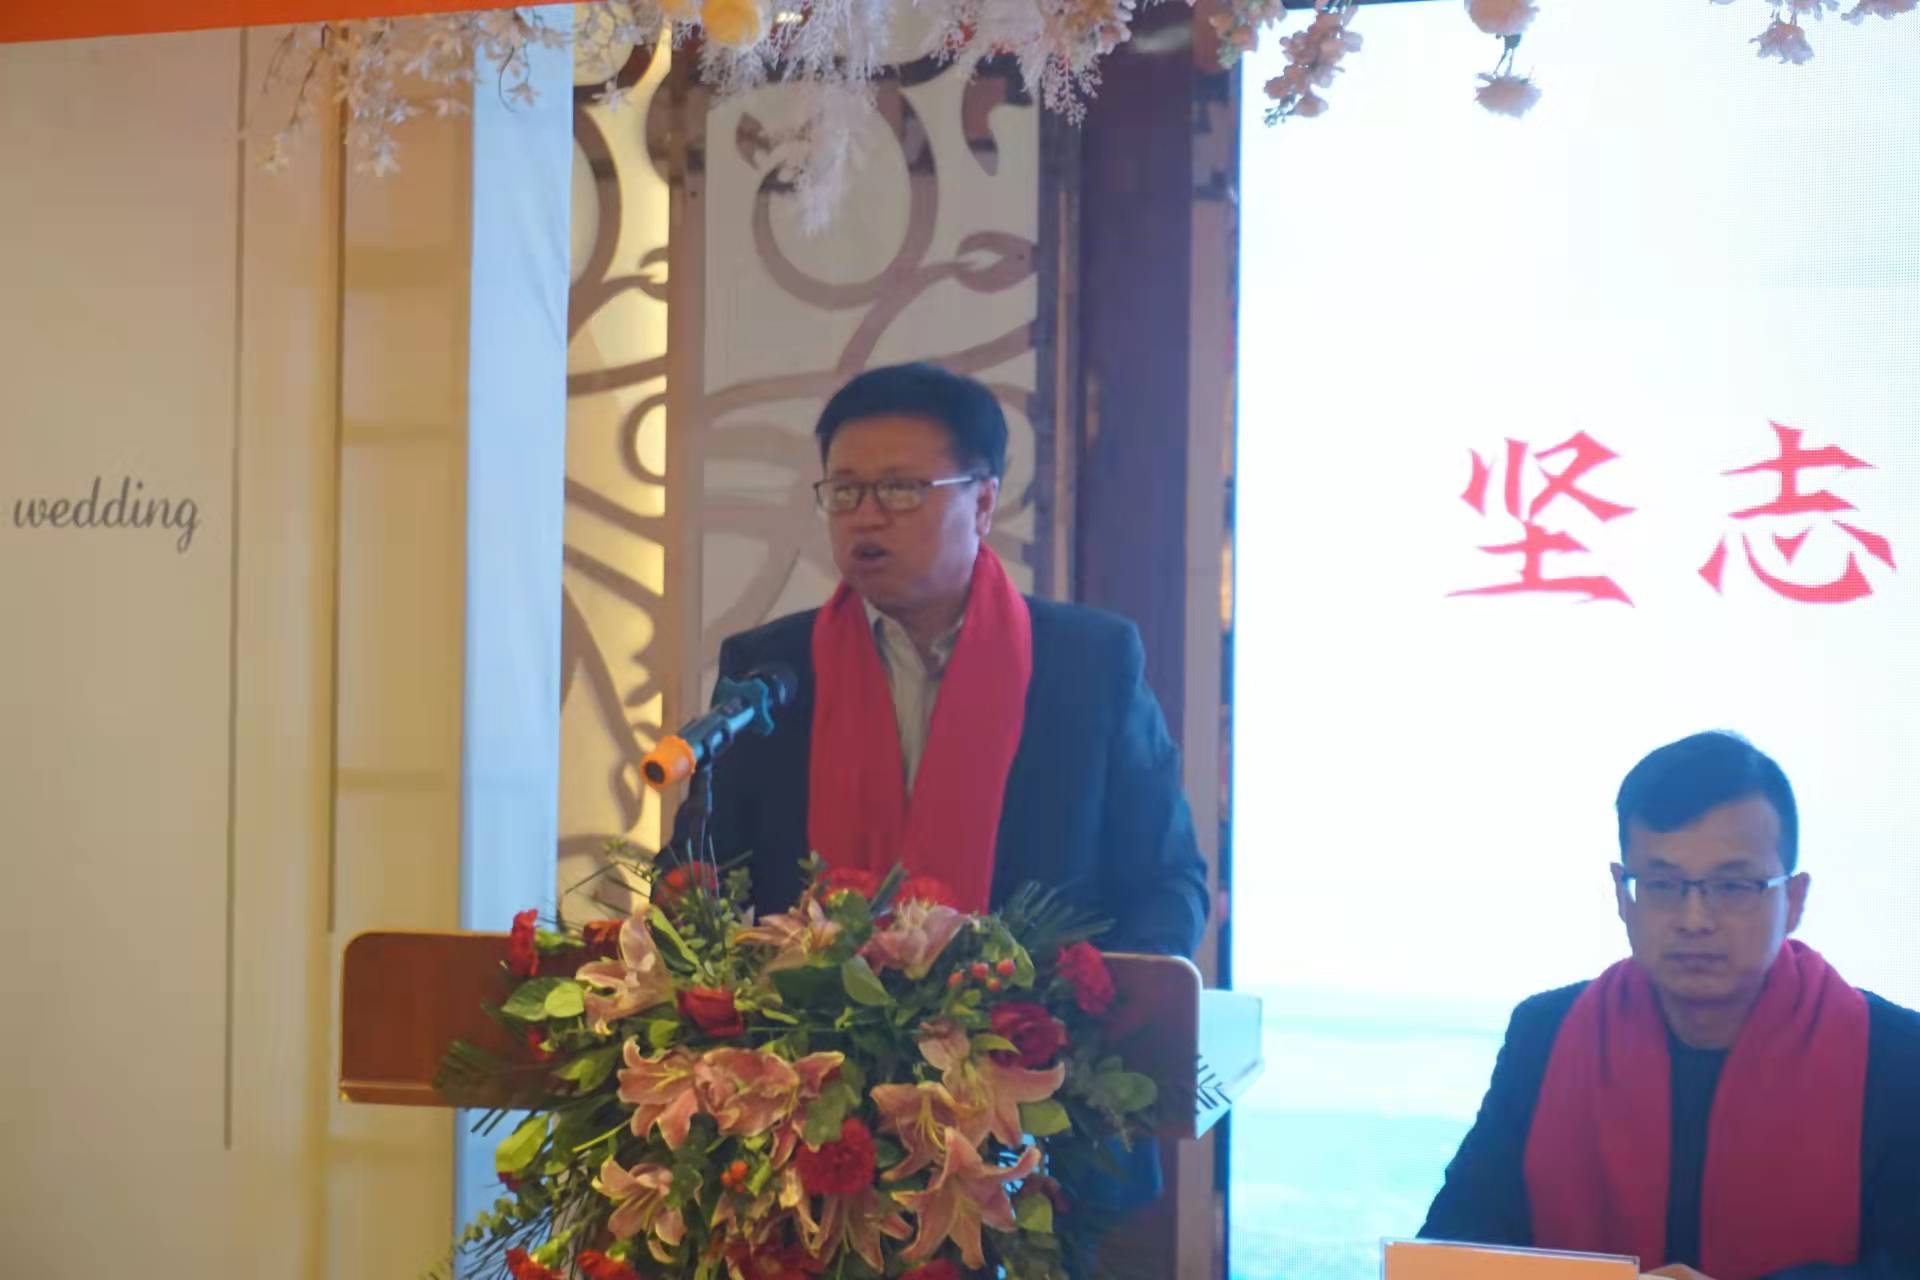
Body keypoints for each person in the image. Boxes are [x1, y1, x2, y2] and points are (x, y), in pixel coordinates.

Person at [685, 361, 1210, 959]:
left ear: (983, 502)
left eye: (901, 490)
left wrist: (1097, 1004)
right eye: (846, 491)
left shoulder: (1089, 665)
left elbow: (1168, 886)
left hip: (1030, 1017)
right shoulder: (772, 670)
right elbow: (697, 883)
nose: (866, 516)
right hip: (805, 1018)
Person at [1420, 731, 1920, 1280]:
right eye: (1662, 884)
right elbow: (1448, 1254)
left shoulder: (1898, 1057)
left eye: (1733, 887)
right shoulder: (1545, 1035)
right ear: (1622, 893)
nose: (1694, 920)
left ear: (1794, 899)